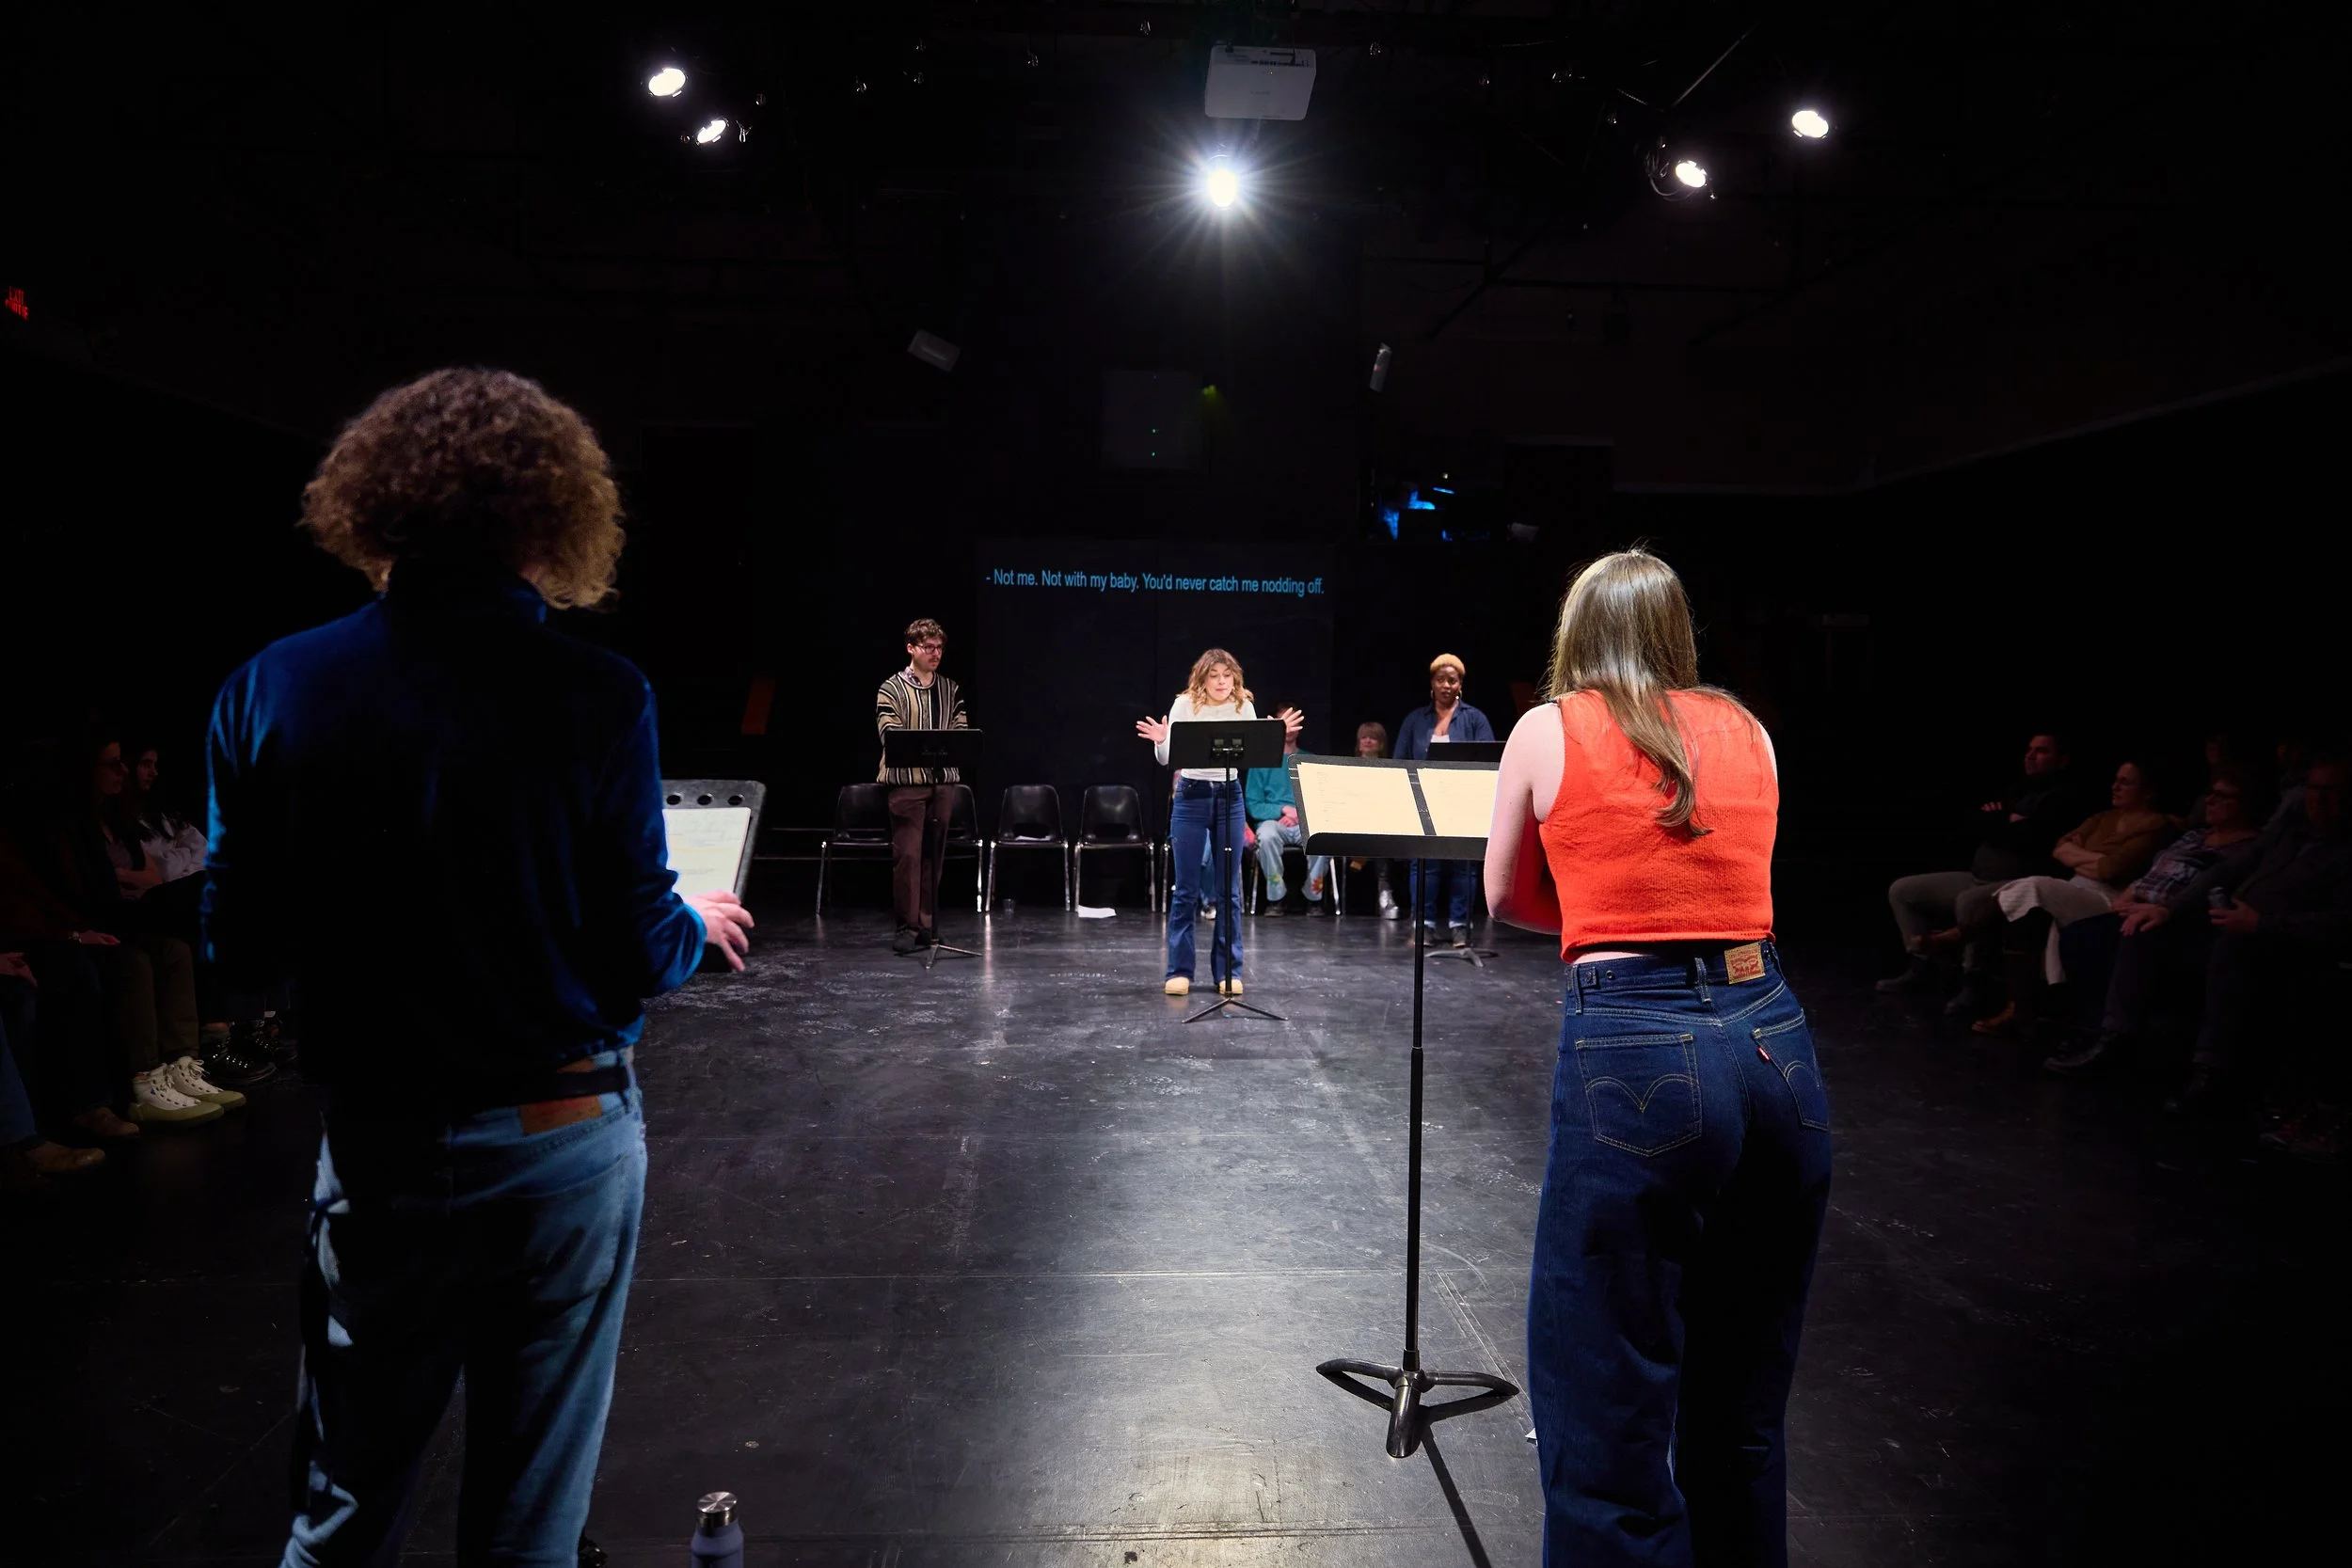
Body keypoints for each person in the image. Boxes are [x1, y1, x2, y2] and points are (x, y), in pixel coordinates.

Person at [203, 367, 755, 1568]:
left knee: (340, 1511)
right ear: (549, 512)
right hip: (561, 1133)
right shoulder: (599, 694)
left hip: (381, 1141)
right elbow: (633, 942)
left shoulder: (272, 687)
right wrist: (687, 923)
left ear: (378, 505)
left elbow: (236, 949)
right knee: (527, 1525)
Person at [1486, 547, 1824, 1567]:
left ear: (1576, 632)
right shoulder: (1751, 729)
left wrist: (1595, 918)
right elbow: (1734, 874)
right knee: (1743, 1394)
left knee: (1605, 1389)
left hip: (1635, 1035)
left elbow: (1503, 895)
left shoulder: (1548, 727)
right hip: (1775, 1041)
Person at [2103, 752, 2350, 1114]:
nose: (2319, 800)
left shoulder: (2345, 852)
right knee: (2148, 926)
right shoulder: (2290, 833)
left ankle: (2210, 1073)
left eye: (2331, 791)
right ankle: (2115, 1040)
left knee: (2233, 949)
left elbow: (2342, 923)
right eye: (2313, 789)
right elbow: (2226, 871)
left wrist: (2261, 925)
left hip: (2289, 943)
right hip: (2237, 925)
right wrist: (2169, 908)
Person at [2043, 763, 2266, 1073]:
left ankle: (2113, 1038)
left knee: (2128, 936)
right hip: (2138, 903)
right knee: (2081, 934)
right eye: (2210, 793)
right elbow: (2155, 870)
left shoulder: (2250, 847)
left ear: (2245, 804)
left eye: (2222, 796)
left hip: (2181, 918)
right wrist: (2131, 893)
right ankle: (2090, 1029)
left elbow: (2210, 891)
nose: (2210, 801)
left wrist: (2155, 906)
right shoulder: (2194, 837)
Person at [1879, 732, 2104, 1015]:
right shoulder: (2018, 789)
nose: (2030, 756)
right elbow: (1974, 822)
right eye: (2029, 749)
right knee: (1903, 890)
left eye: (2042, 751)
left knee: (1971, 902)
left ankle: (1974, 981)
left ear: (2063, 759)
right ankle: (1922, 964)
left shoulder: (2067, 799)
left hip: (2014, 884)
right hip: (1976, 875)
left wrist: (2000, 821)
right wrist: (2006, 821)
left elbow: (2033, 839)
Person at [1969, 758, 2176, 1035]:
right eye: (2115, 779)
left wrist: (2082, 858)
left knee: (2031, 886)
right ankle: (2021, 1008)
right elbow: (2060, 849)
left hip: (2111, 897)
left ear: (2148, 790)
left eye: (2125, 782)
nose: (2115, 786)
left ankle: (1961, 933)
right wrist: (2094, 861)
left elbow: (2113, 868)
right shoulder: (2102, 818)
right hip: (2077, 887)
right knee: (2026, 910)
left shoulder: (2156, 826)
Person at [1136, 650, 1299, 996]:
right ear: (1203, 678)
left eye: (1227, 675)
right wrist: (1162, 742)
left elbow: (1256, 756)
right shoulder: (1184, 705)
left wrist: (1274, 734)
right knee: (1187, 889)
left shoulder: (1244, 706)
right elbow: (1169, 759)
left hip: (1229, 795)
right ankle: (1179, 970)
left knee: (1230, 889)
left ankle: (1228, 969)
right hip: (1192, 796)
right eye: (1214, 675)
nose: (1222, 682)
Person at [875, 618, 971, 956]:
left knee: (934, 855)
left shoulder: (950, 689)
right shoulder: (891, 688)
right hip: (907, 786)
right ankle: (907, 926)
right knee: (909, 856)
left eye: (939, 648)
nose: (935, 653)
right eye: (928, 647)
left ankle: (927, 926)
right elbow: (890, 733)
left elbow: (960, 729)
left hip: (942, 784)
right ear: (911, 648)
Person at [1394, 654, 1497, 945]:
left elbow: (1488, 759)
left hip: (1462, 801)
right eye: (1441, 680)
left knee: (1462, 864)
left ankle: (1459, 926)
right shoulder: (1416, 720)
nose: (1446, 685)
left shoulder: (1475, 719)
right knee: (1425, 864)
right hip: (1423, 802)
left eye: (1452, 680)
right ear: (1432, 683)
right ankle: (1423, 925)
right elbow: (1400, 760)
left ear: (1460, 684)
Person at [1244, 725, 1329, 915]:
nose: (1289, 729)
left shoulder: (1309, 760)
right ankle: (1276, 897)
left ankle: (1313, 897)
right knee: (1266, 837)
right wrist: (1282, 810)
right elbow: (1253, 803)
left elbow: (1322, 799)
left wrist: (1299, 815)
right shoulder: (1261, 761)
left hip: (1306, 820)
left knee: (1323, 838)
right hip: (1274, 821)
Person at [1347, 721, 1402, 916]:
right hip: (1352, 824)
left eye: (1374, 737)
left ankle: (1384, 891)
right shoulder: (1347, 770)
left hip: (1380, 825)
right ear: (1358, 743)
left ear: (1381, 744)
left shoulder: (1391, 771)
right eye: (1364, 737)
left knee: (1382, 832)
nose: (1368, 741)